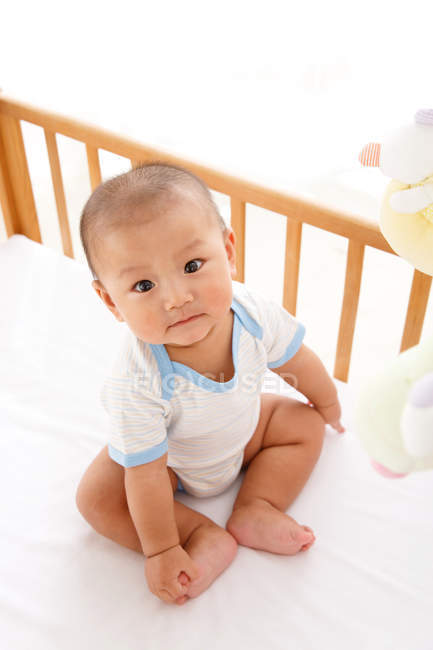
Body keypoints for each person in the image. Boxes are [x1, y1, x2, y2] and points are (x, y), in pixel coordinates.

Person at [75, 161, 344, 607]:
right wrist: (161, 548)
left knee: (303, 421)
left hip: (244, 434)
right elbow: (143, 474)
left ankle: (258, 506)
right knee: (97, 498)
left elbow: (297, 358)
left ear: (229, 251)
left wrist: (329, 403)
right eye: (144, 285)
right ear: (110, 301)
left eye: (192, 265)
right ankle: (198, 532)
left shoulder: (253, 314)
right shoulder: (138, 378)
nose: (176, 297)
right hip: (168, 468)